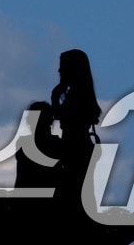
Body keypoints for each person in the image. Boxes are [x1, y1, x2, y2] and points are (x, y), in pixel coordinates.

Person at [51, 48, 101, 232]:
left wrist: (55, 98)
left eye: (62, 67)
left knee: (73, 199)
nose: (59, 71)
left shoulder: (76, 95)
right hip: (80, 149)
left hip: (75, 149)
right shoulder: (81, 93)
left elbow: (69, 121)